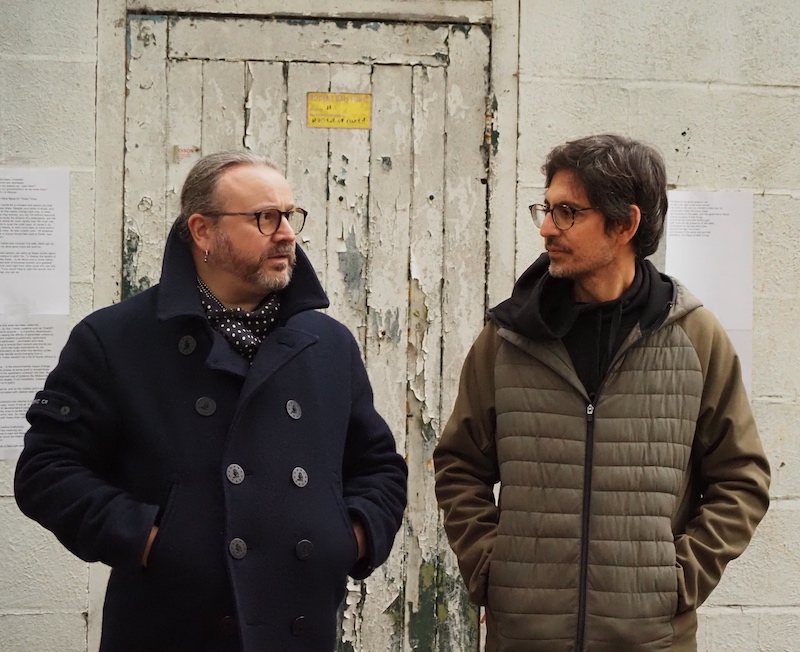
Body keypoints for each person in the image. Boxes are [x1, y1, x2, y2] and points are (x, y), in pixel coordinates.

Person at [15, 151, 408, 651]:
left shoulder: (327, 343)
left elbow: (379, 465)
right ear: (202, 231)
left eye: (290, 215)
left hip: (299, 626)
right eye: (265, 218)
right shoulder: (116, 339)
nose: (287, 233)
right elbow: (46, 469)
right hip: (170, 627)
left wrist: (351, 536)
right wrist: (150, 538)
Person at [433, 134, 770, 651]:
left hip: (649, 638)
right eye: (545, 209)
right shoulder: (507, 339)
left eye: (568, 212)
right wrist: (491, 568)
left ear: (625, 225)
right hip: (526, 637)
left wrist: (679, 579)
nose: (547, 228)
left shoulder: (694, 338)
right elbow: (458, 465)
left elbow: (742, 478)